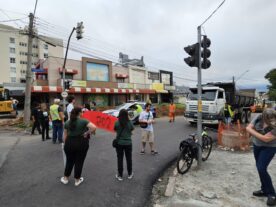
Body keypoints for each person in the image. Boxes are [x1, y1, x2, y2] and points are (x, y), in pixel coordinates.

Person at [246, 108, 276, 206]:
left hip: (269, 148)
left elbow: (266, 139)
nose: (270, 121)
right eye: (268, 119)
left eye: (271, 119)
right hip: (256, 145)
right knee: (260, 169)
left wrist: (253, 131)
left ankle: (272, 194)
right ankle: (264, 190)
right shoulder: (259, 117)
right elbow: (248, 127)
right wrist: (254, 132)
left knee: (261, 168)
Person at [60, 107, 96, 186]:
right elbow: (93, 127)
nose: (82, 113)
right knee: (79, 161)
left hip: (69, 143)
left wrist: (65, 144)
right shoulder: (83, 121)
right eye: (82, 112)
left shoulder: (67, 122)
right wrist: (86, 133)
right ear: (79, 113)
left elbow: (65, 135)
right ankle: (77, 180)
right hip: (81, 142)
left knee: (69, 161)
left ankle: (65, 178)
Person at [114, 109, 135, 181]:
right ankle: (130, 174)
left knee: (120, 159)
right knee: (129, 159)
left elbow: (115, 130)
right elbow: (132, 132)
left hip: (119, 143)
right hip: (128, 143)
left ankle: (120, 175)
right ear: (127, 115)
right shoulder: (130, 123)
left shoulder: (117, 122)